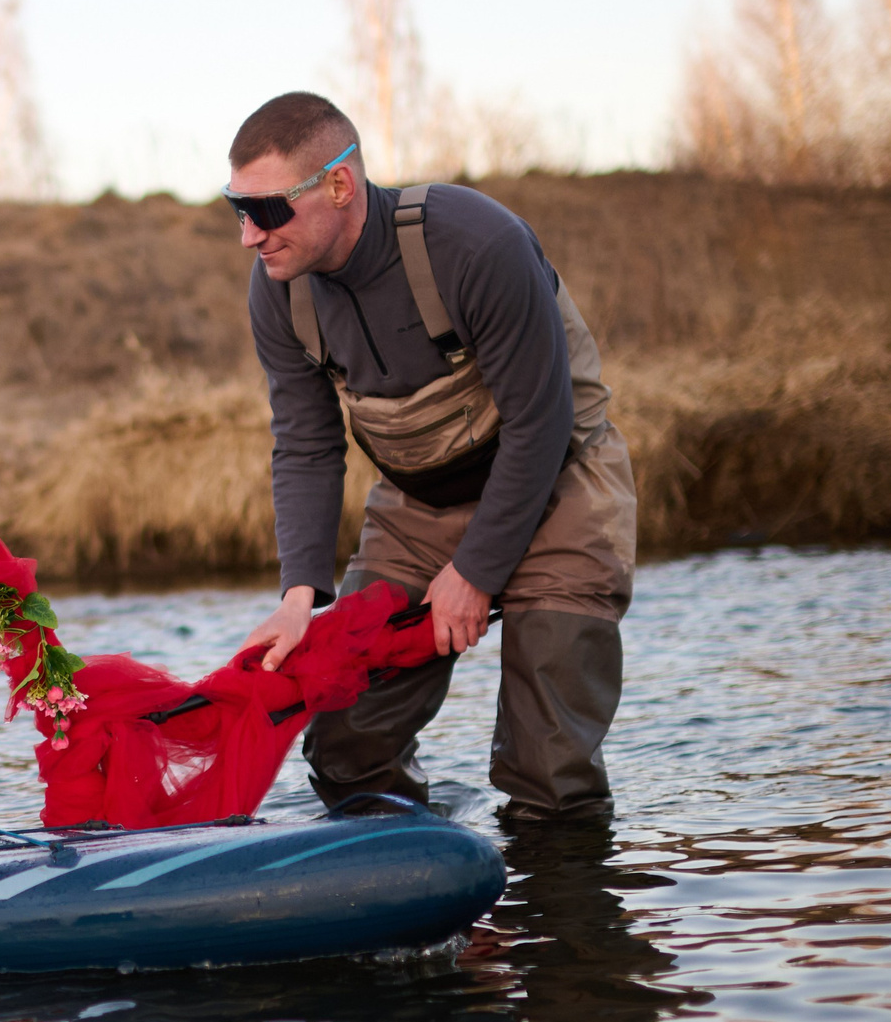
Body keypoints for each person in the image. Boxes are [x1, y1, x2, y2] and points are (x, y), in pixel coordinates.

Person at [227, 92, 636, 820]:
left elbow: (543, 424)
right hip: (418, 508)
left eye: (265, 211)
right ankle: (417, 886)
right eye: (236, 209)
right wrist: (299, 600)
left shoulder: (476, 244)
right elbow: (307, 444)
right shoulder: (277, 292)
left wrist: (475, 572)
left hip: (561, 486)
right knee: (345, 743)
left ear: (339, 186)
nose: (248, 236)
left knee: (548, 771)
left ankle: (558, 924)